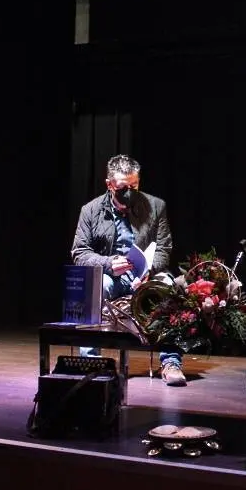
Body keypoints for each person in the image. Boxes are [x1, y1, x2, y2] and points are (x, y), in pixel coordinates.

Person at [70, 155, 181, 385]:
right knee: (96, 287)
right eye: (122, 188)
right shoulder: (90, 211)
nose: (129, 192)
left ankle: (170, 361)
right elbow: (80, 252)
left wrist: (148, 271)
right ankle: (90, 362)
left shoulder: (156, 206)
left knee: (168, 286)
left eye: (134, 186)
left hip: (145, 277)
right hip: (111, 275)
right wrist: (108, 263)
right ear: (109, 184)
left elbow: (164, 248)